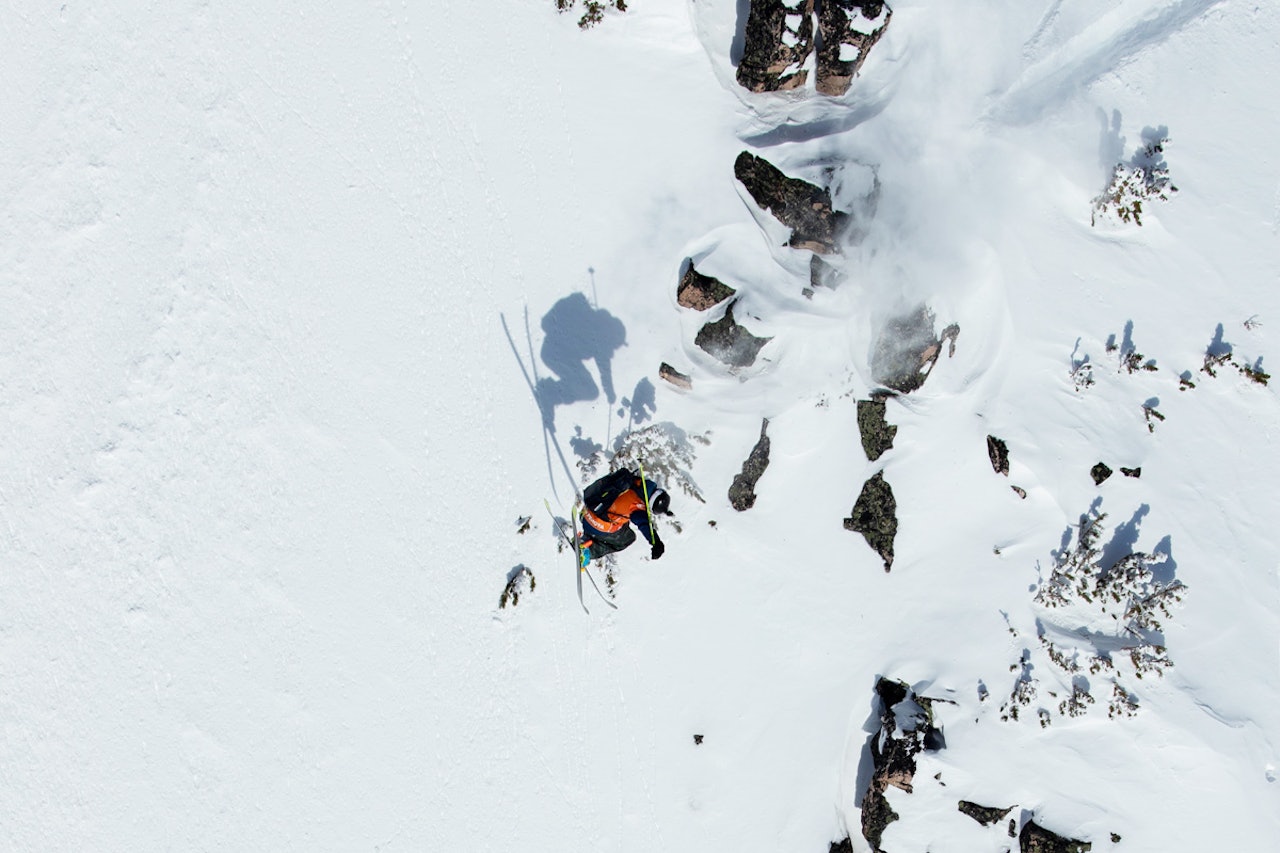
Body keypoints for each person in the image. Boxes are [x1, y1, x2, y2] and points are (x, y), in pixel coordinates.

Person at [578, 467, 671, 567]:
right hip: (596, 525)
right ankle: (588, 550)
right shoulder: (638, 505)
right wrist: (656, 542)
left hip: (586, 511)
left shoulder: (635, 482)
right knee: (627, 538)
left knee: (623, 523)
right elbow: (643, 523)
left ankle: (587, 538)